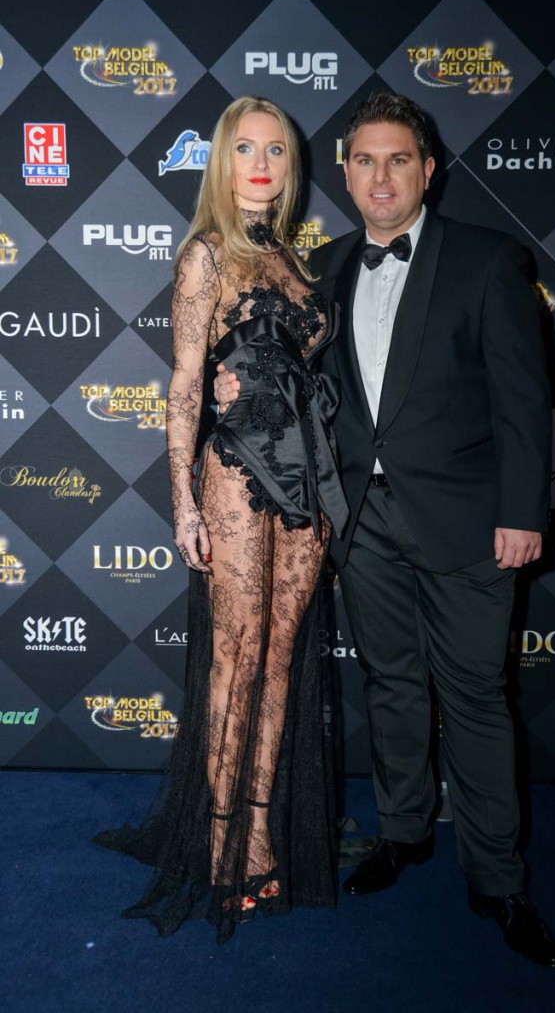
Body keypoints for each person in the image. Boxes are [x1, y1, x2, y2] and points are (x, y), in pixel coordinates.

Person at [216, 93, 555, 968]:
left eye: (398, 160)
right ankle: (404, 832)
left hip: (469, 523)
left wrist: (522, 511)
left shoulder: (488, 259)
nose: (380, 177)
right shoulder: (323, 267)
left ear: (427, 169)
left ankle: (497, 879)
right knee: (391, 685)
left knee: (475, 696)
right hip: (361, 522)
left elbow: (524, 400)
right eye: (364, 161)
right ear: (344, 173)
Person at [93, 96, 348, 943]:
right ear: (221, 161)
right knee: (233, 662)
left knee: (279, 661)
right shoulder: (206, 252)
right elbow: (184, 383)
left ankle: (261, 835)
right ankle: (217, 844)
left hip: (305, 478)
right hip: (236, 470)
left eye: (275, 149)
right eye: (245, 148)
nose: (262, 163)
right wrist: (182, 502)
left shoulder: (293, 259)